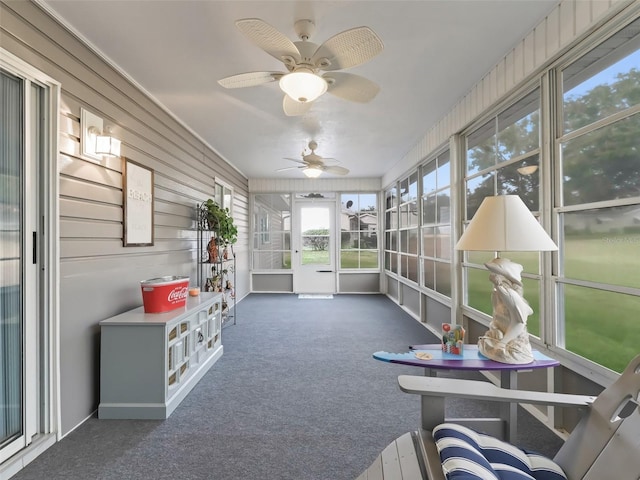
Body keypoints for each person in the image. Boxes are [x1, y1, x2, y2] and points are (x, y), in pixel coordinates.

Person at [478, 257, 534, 364]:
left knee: (517, 320)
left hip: (514, 325)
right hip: (502, 326)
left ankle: (504, 343)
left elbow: (518, 320)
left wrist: (503, 342)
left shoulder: (509, 292)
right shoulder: (498, 290)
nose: (493, 275)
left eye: (497, 272)